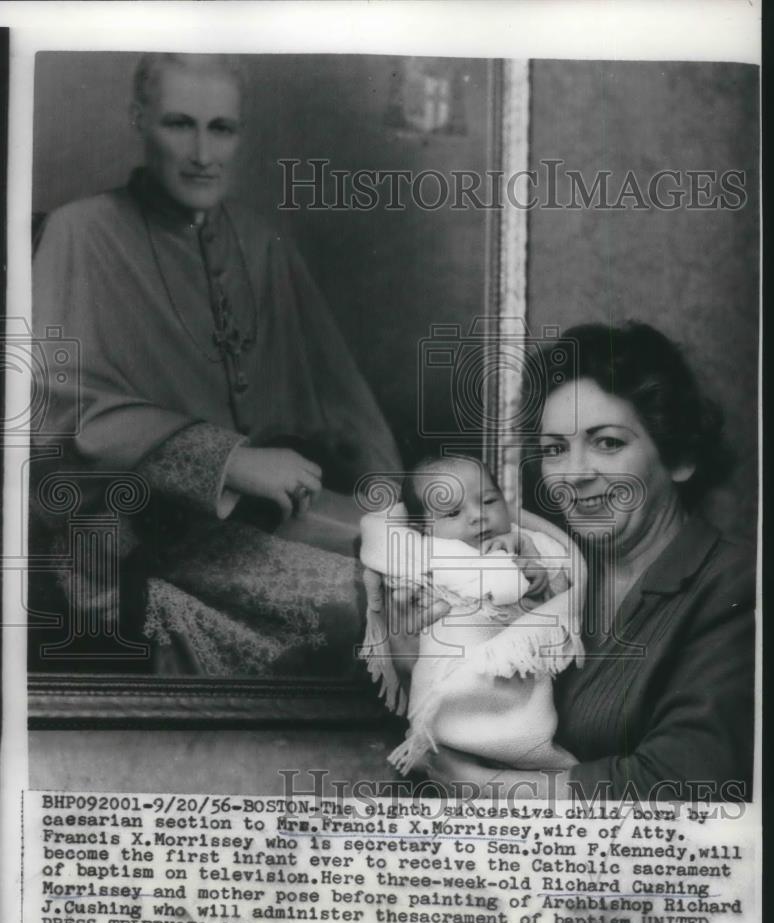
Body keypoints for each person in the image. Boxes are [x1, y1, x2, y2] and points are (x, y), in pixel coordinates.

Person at [30, 53, 401, 674]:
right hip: (140, 538)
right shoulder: (80, 231)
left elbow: (341, 397)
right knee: (372, 604)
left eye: (221, 128)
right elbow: (53, 405)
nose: (203, 153)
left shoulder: (258, 241)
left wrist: (396, 507)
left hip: (276, 516)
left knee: (441, 576)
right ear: (139, 120)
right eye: (181, 124)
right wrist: (228, 460)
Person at [372, 323, 755, 800]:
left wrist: (482, 786)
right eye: (555, 449)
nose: (573, 474)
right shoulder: (555, 582)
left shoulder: (738, 585)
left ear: (679, 457)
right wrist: (418, 667)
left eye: (608, 443)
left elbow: (686, 781)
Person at [359, 455, 583, 775]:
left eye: (489, 500)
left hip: (517, 695)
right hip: (449, 691)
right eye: (452, 512)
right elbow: (380, 545)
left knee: (527, 744)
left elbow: (558, 605)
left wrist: (537, 574)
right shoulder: (426, 553)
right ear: (423, 528)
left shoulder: (525, 544)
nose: (478, 516)